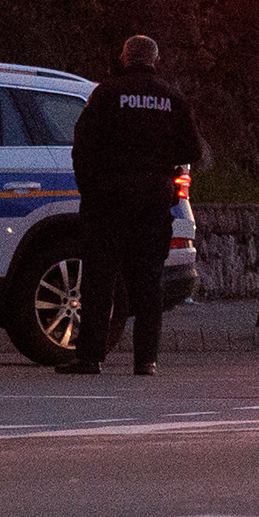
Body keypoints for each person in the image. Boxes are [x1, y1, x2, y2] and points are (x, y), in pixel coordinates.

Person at [64, 33, 199, 376]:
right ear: (155, 60)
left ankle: (90, 357)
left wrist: (89, 188)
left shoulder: (106, 93)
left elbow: (83, 143)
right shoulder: (172, 97)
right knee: (149, 279)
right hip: (154, 197)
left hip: (108, 196)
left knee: (100, 279)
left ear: (125, 57)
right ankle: (146, 360)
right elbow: (192, 151)